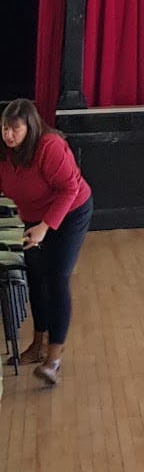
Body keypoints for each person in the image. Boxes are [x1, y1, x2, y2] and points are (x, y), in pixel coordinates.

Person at [0, 99, 92, 387]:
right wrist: (37, 225)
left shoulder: (49, 147)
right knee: (36, 276)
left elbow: (69, 188)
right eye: (4, 128)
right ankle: (37, 344)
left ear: (30, 127)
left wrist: (45, 227)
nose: (8, 135)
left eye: (15, 129)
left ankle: (53, 359)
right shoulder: (4, 152)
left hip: (71, 213)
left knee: (57, 277)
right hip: (33, 216)